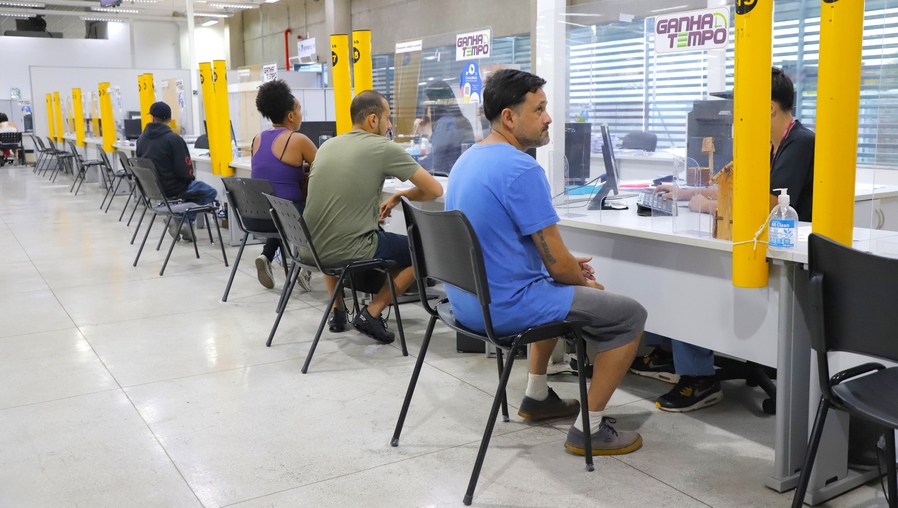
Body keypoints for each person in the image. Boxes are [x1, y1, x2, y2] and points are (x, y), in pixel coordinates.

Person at [446, 69, 647, 456]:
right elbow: (557, 266)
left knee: (555, 283)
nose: (549, 118)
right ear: (509, 117)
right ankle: (590, 429)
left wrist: (566, 268)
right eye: (539, 110)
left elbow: (532, 252)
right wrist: (581, 281)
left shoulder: (468, 159)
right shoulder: (521, 169)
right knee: (629, 316)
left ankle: (537, 396)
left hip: (468, 303)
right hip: (505, 307)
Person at [631, 67, 815, 412]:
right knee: (679, 265)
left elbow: (769, 203)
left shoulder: (799, 142)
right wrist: (688, 192)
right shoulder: (772, 144)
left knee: (691, 276)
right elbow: (737, 187)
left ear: (769, 108)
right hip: (762, 244)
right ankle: (674, 355)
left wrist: (708, 206)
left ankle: (699, 377)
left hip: (785, 253)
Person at [303, 90, 443, 343]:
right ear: (372, 119)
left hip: (307, 249)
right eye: (388, 118)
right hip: (345, 250)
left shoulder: (327, 146)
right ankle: (372, 312)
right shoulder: (382, 147)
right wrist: (402, 195)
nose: (389, 125)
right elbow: (434, 189)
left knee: (330, 231)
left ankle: (337, 310)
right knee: (423, 249)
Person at [246, 79, 317, 291]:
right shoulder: (298, 139)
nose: (302, 114)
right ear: (291, 116)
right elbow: (326, 166)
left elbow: (276, 169)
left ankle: (266, 256)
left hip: (257, 217)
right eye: (299, 109)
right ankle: (304, 267)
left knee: (280, 208)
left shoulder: (257, 139)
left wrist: (301, 167)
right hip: (287, 217)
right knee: (318, 213)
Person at [136, 101, 218, 242]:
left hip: (153, 190)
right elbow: (184, 172)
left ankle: (180, 220)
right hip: (173, 188)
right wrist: (189, 179)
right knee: (209, 192)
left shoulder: (141, 139)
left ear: (152, 117)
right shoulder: (173, 139)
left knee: (193, 191)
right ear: (169, 119)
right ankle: (183, 220)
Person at [417, 80, 474, 175]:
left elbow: (435, 160)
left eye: (429, 105)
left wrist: (412, 165)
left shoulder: (445, 123)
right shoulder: (462, 120)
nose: (427, 111)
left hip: (446, 176)